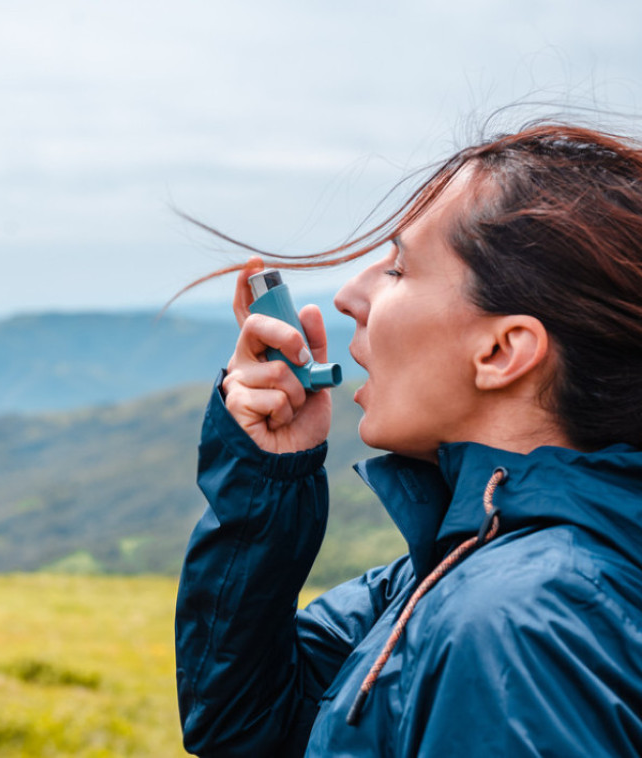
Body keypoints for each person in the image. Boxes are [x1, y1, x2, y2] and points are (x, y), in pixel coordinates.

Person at [174, 122, 642, 756]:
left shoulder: (511, 623)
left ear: (503, 352)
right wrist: (270, 482)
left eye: (396, 269)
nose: (348, 296)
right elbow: (248, 727)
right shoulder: (453, 569)